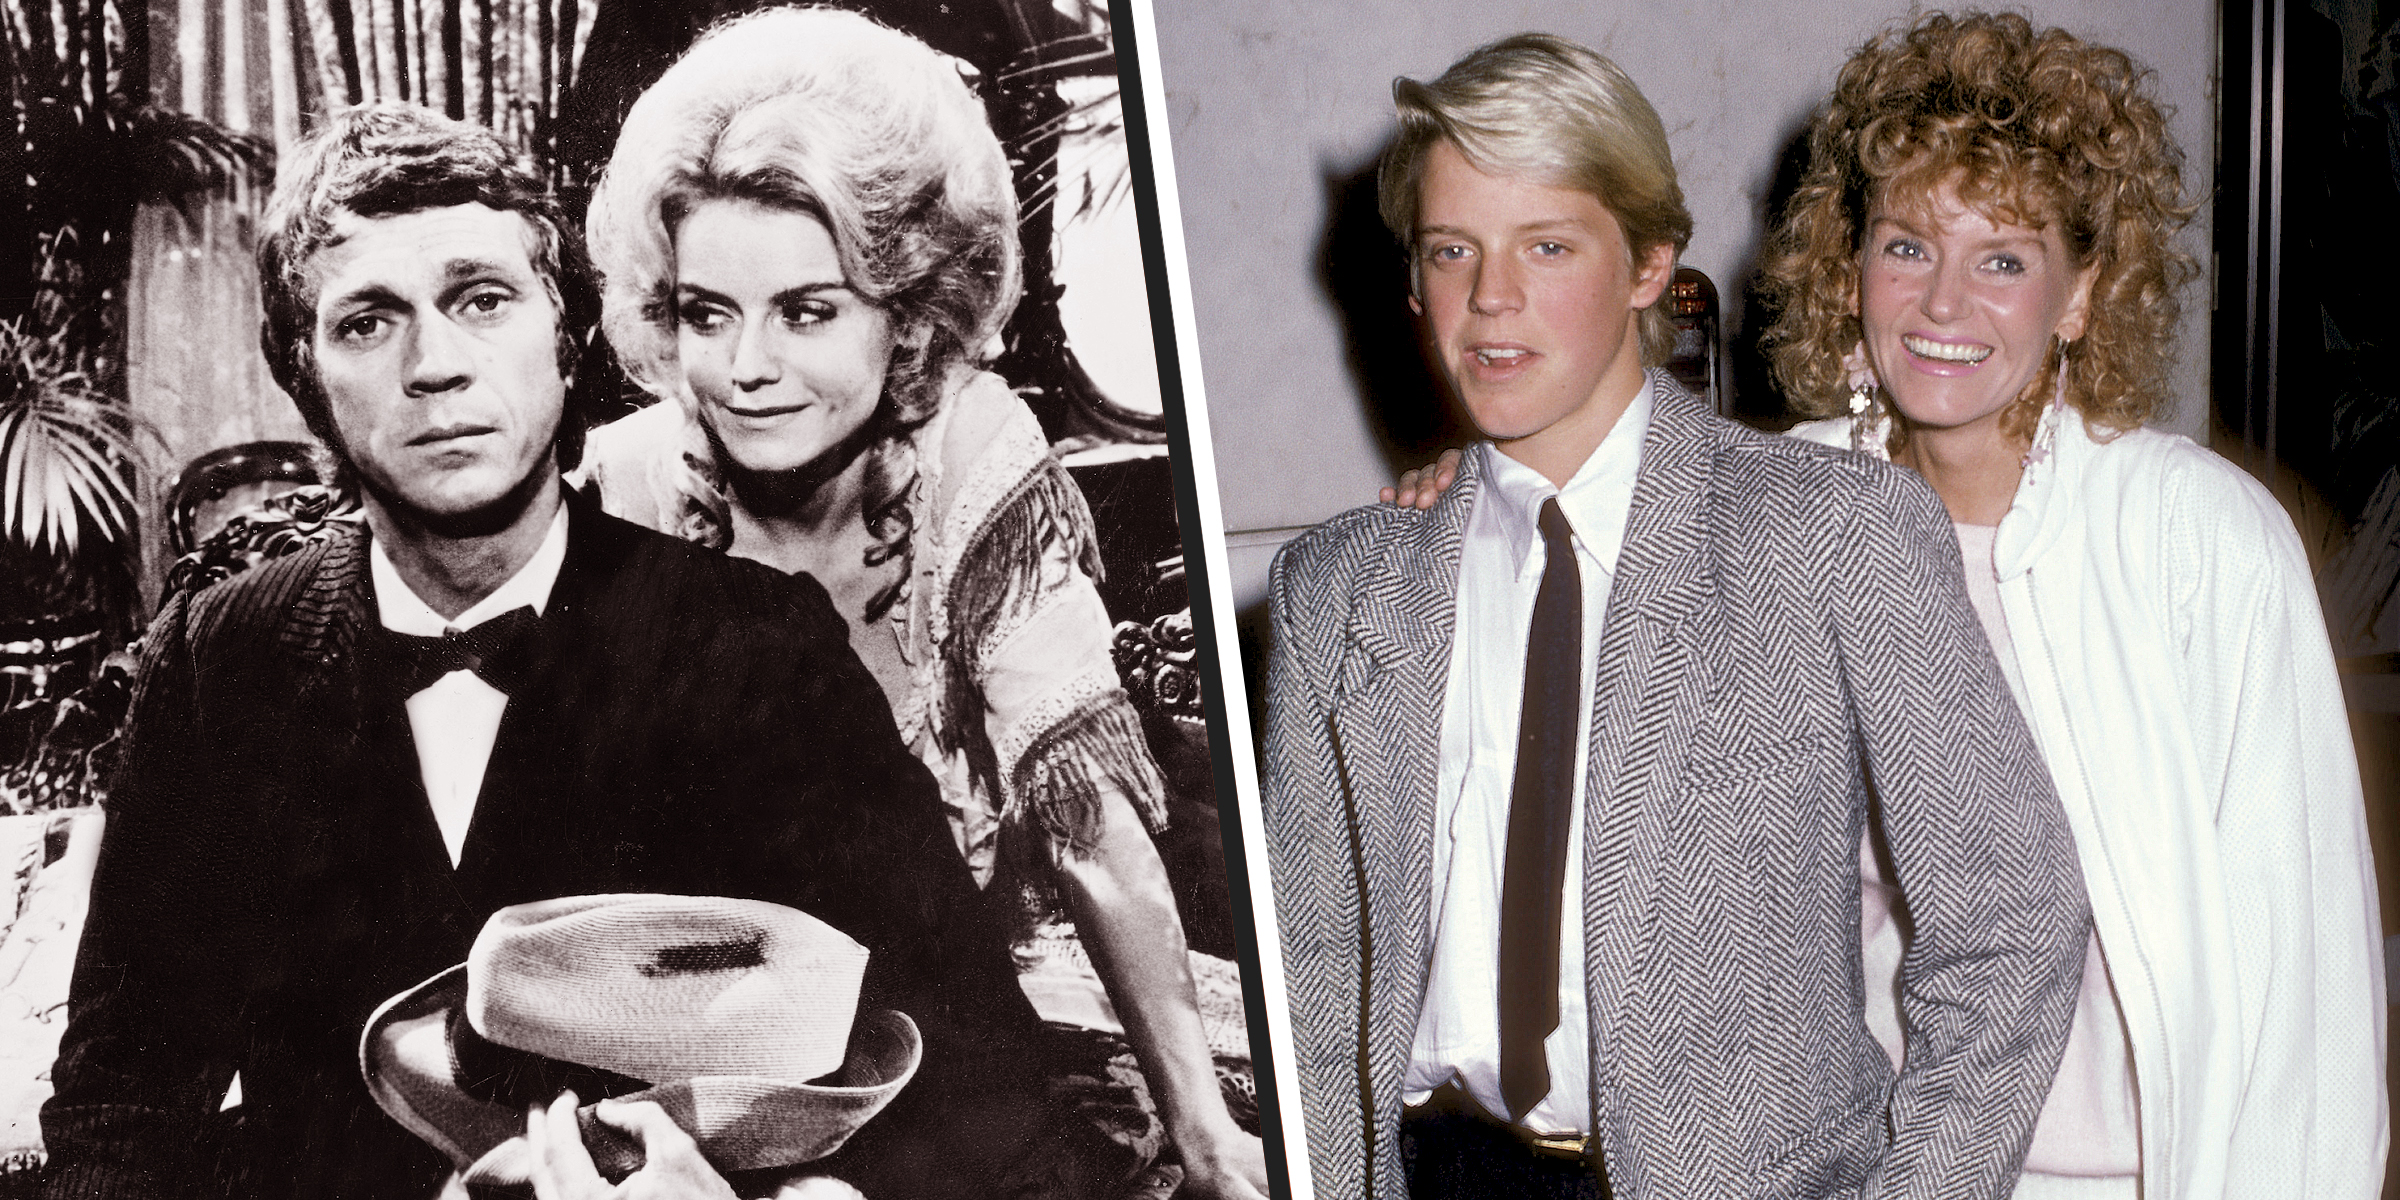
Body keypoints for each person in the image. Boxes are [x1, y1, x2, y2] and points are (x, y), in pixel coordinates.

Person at [40, 103, 1054, 1200]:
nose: (436, 365)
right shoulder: (216, 659)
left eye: (483, 300)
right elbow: (119, 1107)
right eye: (367, 321)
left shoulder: (759, 649)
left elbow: (981, 1081)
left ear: (566, 341)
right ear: (305, 376)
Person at [1263, 31, 2088, 1200]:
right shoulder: (1337, 591)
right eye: (1454, 250)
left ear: (1651, 262)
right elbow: (1312, 977)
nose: (1491, 299)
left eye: (1548, 245)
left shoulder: (1835, 536)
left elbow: (2010, 927)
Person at [574, 9, 1267, 1197]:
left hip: (962, 1028)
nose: (746, 368)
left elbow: (1085, 818)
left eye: (807, 310)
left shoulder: (974, 461)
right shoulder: (618, 489)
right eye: (706, 313)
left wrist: (1208, 1141)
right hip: (688, 1059)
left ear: (908, 312)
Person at [1760, 13, 2387, 1197]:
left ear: (2083, 292)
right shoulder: (1780, 516)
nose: (1944, 304)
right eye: (1906, 247)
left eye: (2003, 259)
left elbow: (2306, 975)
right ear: (1850, 271)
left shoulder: (2197, 541)